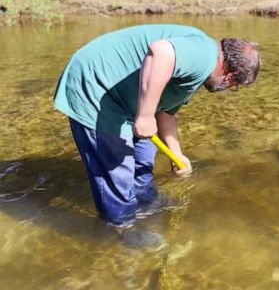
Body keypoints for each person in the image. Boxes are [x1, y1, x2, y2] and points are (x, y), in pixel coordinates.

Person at [53, 24, 261, 228]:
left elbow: (166, 113)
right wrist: (144, 116)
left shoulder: (203, 65)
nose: (228, 89)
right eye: (234, 86)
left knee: (144, 161)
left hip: (126, 100)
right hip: (94, 85)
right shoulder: (201, 57)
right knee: (117, 172)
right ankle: (122, 228)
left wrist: (177, 154)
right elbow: (160, 52)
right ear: (231, 76)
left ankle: (144, 202)